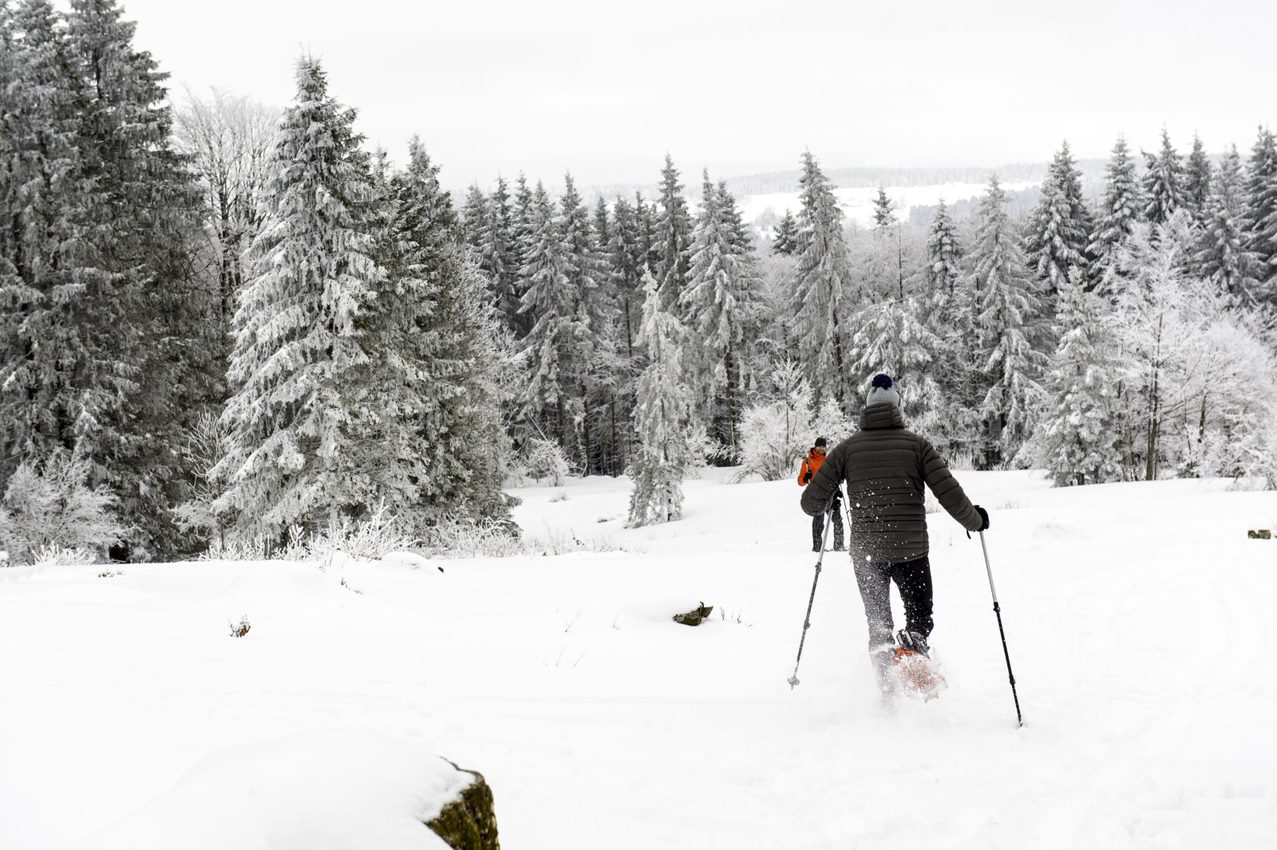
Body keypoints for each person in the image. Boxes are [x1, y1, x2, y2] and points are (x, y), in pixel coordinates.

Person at [800, 373, 989, 694]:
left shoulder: (846, 451)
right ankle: (914, 648)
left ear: (867, 409)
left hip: (867, 555)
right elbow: (949, 493)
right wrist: (975, 521)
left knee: (878, 625)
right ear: (898, 408)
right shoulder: (917, 447)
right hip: (910, 552)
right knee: (920, 615)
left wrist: (830, 490)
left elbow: (810, 504)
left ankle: (887, 692)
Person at [798, 437, 844, 552]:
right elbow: (800, 481)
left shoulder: (829, 460)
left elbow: (834, 477)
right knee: (819, 523)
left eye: (823, 446)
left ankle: (839, 545)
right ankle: (817, 548)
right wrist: (805, 478)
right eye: (819, 446)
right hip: (817, 496)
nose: (821, 448)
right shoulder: (807, 462)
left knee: (837, 519)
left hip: (830, 494)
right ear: (815, 446)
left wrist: (837, 489)